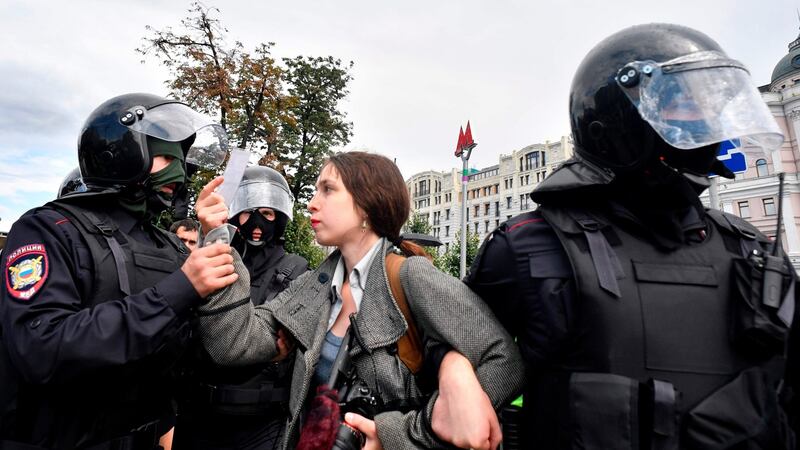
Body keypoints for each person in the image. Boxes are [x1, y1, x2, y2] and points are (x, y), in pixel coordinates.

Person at [465, 23, 798, 449]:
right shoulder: (530, 244)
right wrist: (457, 375)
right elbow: (448, 348)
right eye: (679, 106)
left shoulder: (753, 251)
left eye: (706, 107)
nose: (705, 122)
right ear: (618, 121)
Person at [193, 151, 524, 449]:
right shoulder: (314, 284)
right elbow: (234, 344)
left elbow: (504, 360)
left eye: (328, 190)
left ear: (367, 205)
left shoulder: (410, 275)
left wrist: (403, 434)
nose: (311, 203)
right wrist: (217, 237)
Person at [0, 93, 237, 449]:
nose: (180, 170)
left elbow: (192, 353)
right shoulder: (49, 230)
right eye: (165, 156)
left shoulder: (169, 245)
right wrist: (179, 288)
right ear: (122, 152)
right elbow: (42, 349)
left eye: (180, 159)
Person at [173, 166, 308, 450]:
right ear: (234, 215)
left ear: (280, 219)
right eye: (248, 212)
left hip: (258, 421)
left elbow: (267, 339)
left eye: (267, 213)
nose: (257, 221)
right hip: (198, 413)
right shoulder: (210, 258)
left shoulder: (295, 269)